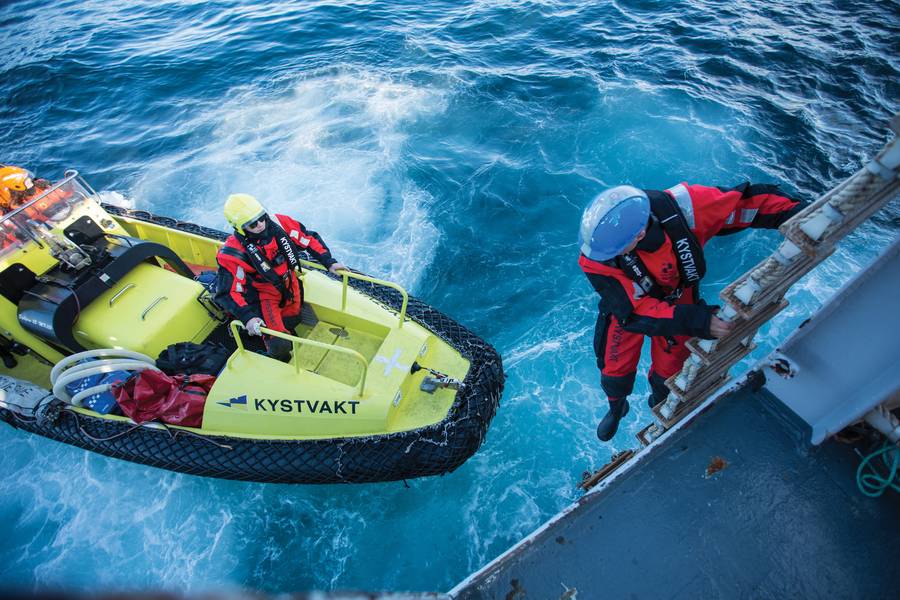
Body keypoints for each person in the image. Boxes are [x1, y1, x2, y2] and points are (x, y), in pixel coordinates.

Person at [579, 182, 806, 441]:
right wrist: (698, 321)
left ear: (640, 233)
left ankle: (661, 406)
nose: (608, 255)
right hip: (627, 304)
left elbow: (745, 205)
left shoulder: (685, 209)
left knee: (671, 369)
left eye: (617, 248)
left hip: (677, 298)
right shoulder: (597, 254)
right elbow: (635, 313)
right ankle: (617, 405)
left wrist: (798, 213)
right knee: (613, 362)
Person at [215, 193, 347, 361]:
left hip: (290, 283)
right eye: (252, 224)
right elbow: (228, 292)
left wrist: (329, 262)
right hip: (264, 296)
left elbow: (308, 239)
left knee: (294, 317)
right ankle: (281, 361)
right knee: (279, 343)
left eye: (262, 217)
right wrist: (248, 317)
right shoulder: (234, 254)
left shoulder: (280, 225)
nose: (261, 225)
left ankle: (290, 332)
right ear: (239, 227)